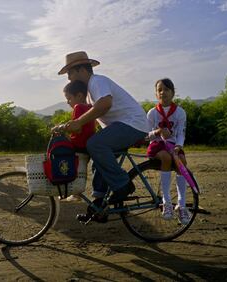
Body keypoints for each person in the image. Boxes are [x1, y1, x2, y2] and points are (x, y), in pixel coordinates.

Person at [58, 51, 149, 219]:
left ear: (81, 70)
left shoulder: (97, 81)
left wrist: (79, 122)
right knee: (98, 158)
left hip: (133, 124)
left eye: (70, 73)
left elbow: (105, 104)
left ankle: (123, 184)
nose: (69, 79)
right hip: (124, 126)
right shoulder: (91, 91)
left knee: (95, 145)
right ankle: (100, 203)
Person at [146, 78, 190, 225]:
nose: (162, 92)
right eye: (159, 90)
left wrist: (178, 146)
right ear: (156, 93)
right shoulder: (152, 113)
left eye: (166, 89)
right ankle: (167, 203)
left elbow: (181, 132)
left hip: (173, 145)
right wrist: (158, 131)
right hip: (157, 146)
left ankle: (181, 205)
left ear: (173, 92)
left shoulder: (180, 112)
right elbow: (147, 135)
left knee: (182, 162)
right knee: (165, 158)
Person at [52, 80, 96, 201]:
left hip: (78, 144)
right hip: (87, 145)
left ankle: (64, 190)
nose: (67, 102)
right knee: (80, 170)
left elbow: (76, 129)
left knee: (60, 158)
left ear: (79, 96)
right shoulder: (91, 108)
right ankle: (75, 193)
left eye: (69, 98)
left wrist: (62, 130)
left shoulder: (78, 107)